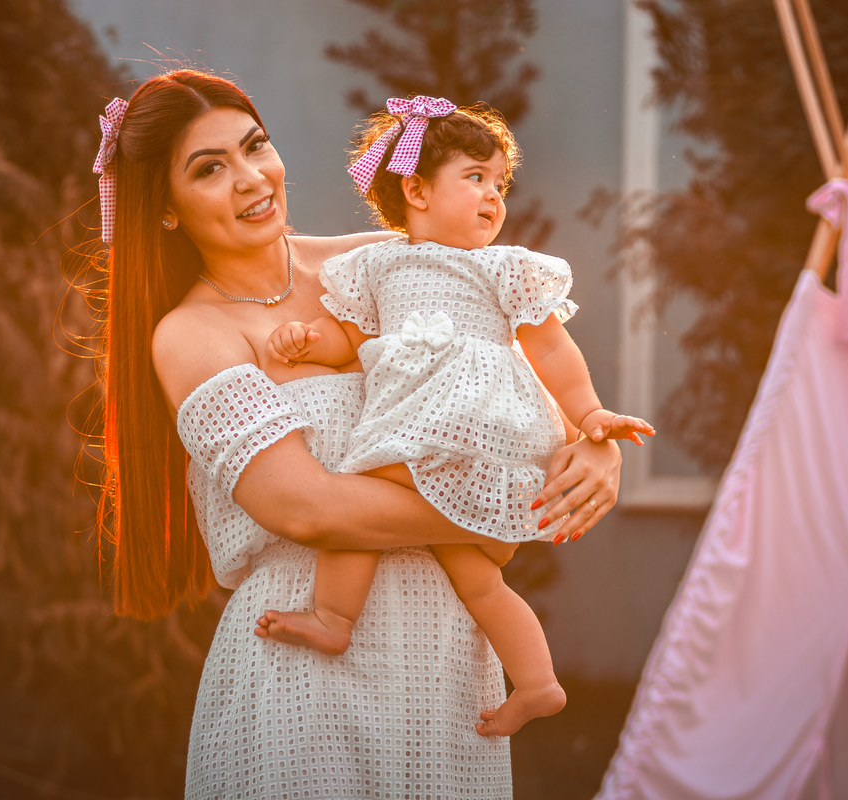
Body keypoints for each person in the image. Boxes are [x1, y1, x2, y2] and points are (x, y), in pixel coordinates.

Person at [94, 70, 625, 799]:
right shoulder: (191, 336)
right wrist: (503, 508)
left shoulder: (385, 262)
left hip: (449, 663)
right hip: (303, 676)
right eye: (210, 168)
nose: (251, 179)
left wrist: (595, 445)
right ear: (165, 208)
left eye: (255, 147)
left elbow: (513, 403)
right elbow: (306, 509)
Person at [259, 97, 654, 737]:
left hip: (478, 423)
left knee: (354, 504)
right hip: (423, 425)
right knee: (478, 580)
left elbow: (550, 346)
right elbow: (350, 341)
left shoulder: (502, 267)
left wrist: (590, 416)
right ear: (415, 188)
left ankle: (335, 618)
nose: (494, 196)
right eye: (475, 178)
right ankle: (537, 682)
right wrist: (308, 341)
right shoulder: (376, 265)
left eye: (499, 182)